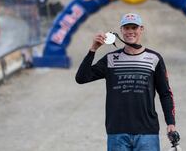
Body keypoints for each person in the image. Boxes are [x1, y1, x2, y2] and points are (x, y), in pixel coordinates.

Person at [75, 13, 177, 151]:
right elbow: (81, 78)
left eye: (134, 27)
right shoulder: (111, 59)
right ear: (121, 30)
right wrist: (93, 49)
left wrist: (170, 123)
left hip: (147, 132)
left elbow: (165, 93)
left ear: (141, 29)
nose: (130, 31)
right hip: (117, 131)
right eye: (126, 27)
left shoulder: (154, 58)